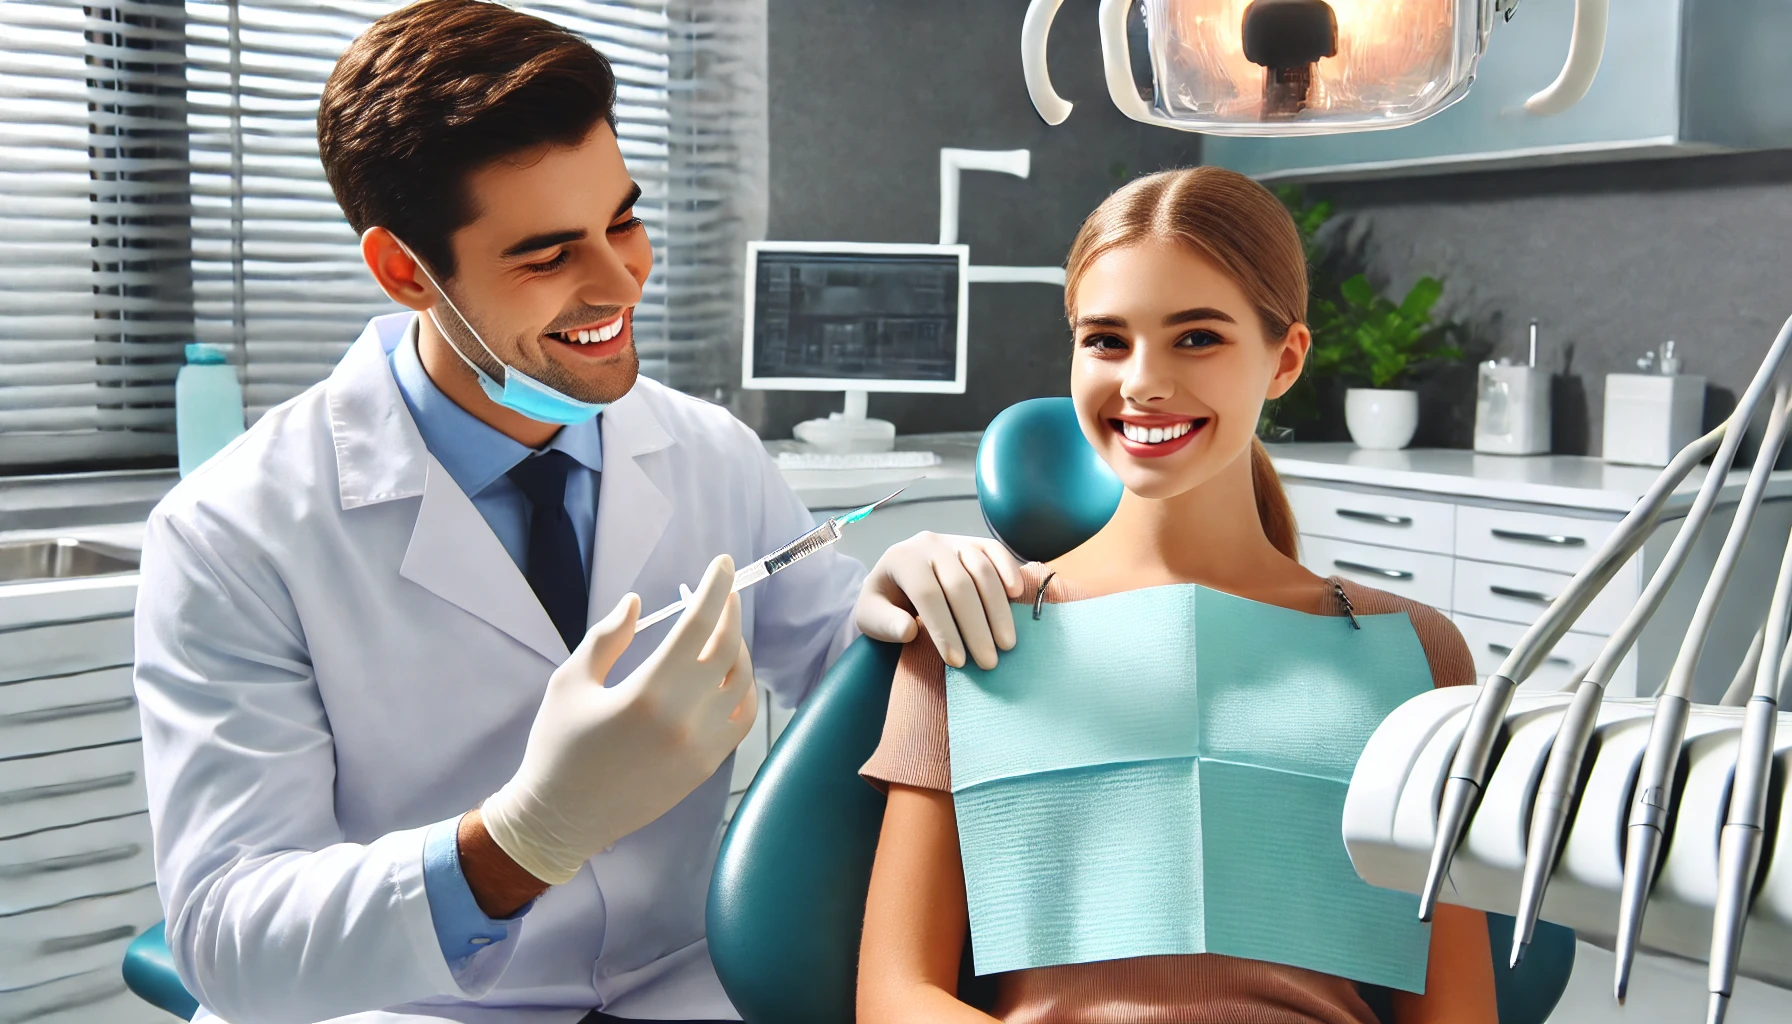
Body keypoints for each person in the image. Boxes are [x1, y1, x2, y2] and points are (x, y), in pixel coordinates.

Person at [132, 3, 1019, 1022]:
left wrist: (904, 616)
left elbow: (842, 687)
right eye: (548, 255)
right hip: (405, 1005)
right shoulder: (232, 532)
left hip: (679, 986)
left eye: (624, 221)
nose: (619, 281)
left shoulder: (706, 452)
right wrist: (520, 841)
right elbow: (228, 941)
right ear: (405, 271)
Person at [855, 166, 1499, 1024]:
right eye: (1107, 339)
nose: (1143, 383)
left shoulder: (1414, 652)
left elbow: (1456, 1014)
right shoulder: (976, 632)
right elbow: (895, 996)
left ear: (1286, 359)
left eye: (1196, 337)